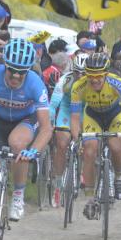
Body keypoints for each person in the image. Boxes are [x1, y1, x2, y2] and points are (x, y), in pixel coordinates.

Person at [0, 38, 52, 226]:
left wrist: (33, 150)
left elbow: (46, 128)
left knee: (18, 144)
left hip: (25, 121)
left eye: (22, 72)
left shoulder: (35, 84)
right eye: (12, 71)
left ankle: (18, 196)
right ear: (5, 65)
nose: (16, 76)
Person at [70, 53, 121, 220]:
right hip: (93, 117)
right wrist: (76, 136)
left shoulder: (118, 83)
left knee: (115, 146)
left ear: (106, 74)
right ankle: (90, 198)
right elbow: (75, 118)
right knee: (89, 151)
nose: (94, 81)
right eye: (91, 76)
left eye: (99, 76)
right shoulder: (78, 86)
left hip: (115, 116)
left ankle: (118, 178)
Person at [49, 52, 87, 206]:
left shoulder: (95, 81)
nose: (80, 75)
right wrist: (50, 122)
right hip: (67, 110)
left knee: (89, 141)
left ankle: (84, 171)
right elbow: (53, 104)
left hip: (85, 111)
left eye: (83, 72)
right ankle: (57, 185)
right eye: (77, 71)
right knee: (62, 144)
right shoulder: (66, 80)